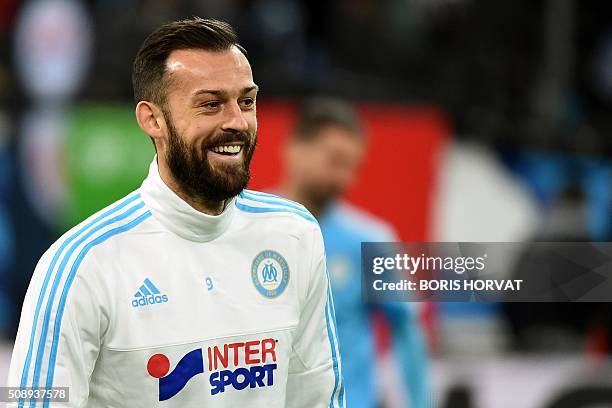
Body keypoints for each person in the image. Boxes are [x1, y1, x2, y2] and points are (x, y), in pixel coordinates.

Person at [8, 19, 344, 408]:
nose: (236, 122)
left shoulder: (295, 233)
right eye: (210, 104)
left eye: (246, 101)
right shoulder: (78, 265)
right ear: (153, 120)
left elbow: (318, 397)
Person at [280, 98, 430, 408]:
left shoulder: (370, 241)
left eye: (352, 167)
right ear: (295, 149)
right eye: (335, 160)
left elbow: (406, 328)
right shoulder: (249, 228)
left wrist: (421, 402)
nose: (343, 179)